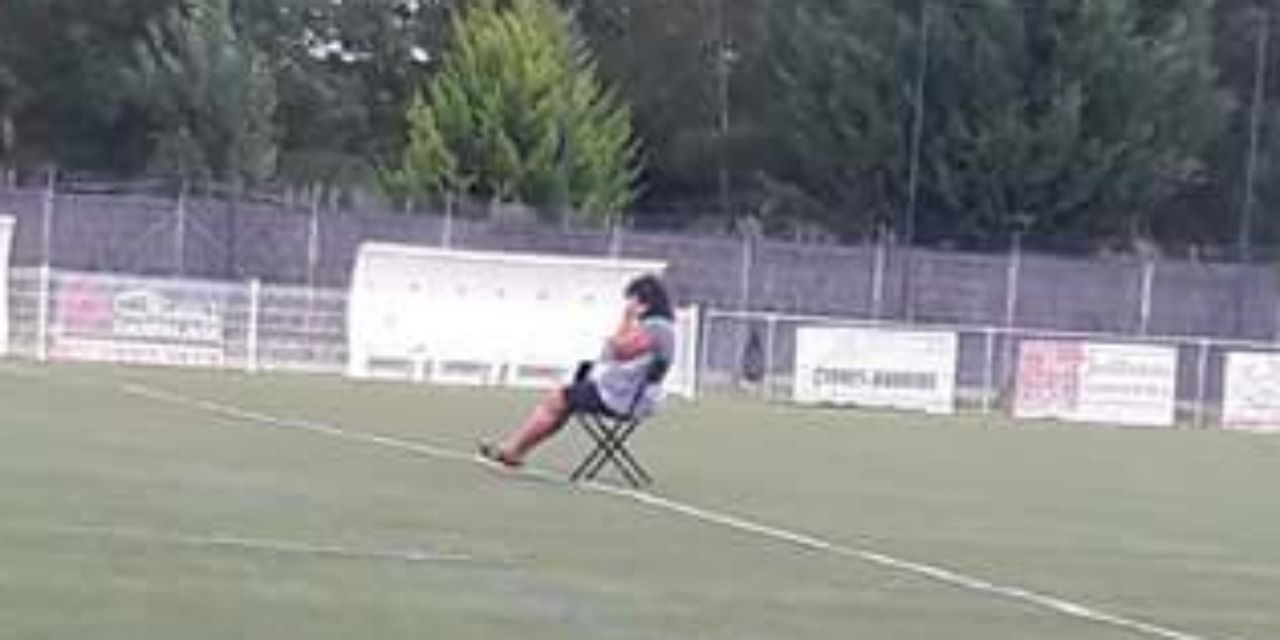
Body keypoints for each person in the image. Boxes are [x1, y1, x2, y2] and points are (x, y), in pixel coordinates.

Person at [479, 274, 677, 468]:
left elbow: (619, 351)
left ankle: (512, 450)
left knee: (558, 398)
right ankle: (515, 451)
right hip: (627, 395)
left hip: (624, 399)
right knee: (562, 401)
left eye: (632, 299)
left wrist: (626, 318)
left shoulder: (656, 327)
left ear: (644, 301)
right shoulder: (659, 327)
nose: (629, 305)